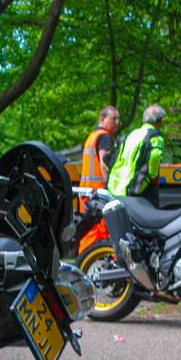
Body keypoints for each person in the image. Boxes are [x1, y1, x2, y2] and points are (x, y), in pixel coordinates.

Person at [77, 106, 119, 255]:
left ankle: (85, 265)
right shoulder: (105, 138)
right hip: (99, 195)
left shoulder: (91, 137)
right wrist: (110, 189)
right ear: (102, 119)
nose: (117, 122)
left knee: (89, 234)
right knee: (105, 235)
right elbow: (104, 164)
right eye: (113, 118)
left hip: (87, 195)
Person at [107, 104, 165, 206]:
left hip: (115, 189)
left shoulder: (128, 135)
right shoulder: (154, 136)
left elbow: (109, 157)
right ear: (161, 121)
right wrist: (152, 176)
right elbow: (155, 156)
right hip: (137, 189)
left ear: (143, 120)